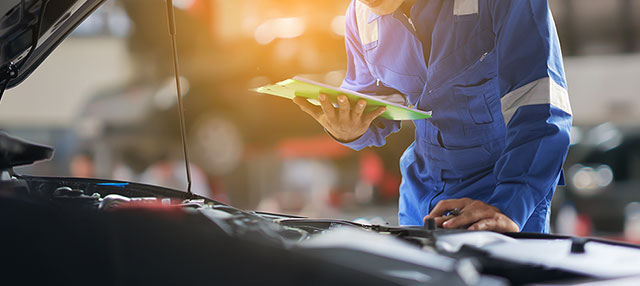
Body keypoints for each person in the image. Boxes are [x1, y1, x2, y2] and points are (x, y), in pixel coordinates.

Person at [293, 0, 572, 233]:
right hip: (420, 200)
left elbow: (541, 108)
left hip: (500, 195)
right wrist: (348, 130)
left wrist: (509, 205)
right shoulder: (361, 14)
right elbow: (374, 106)